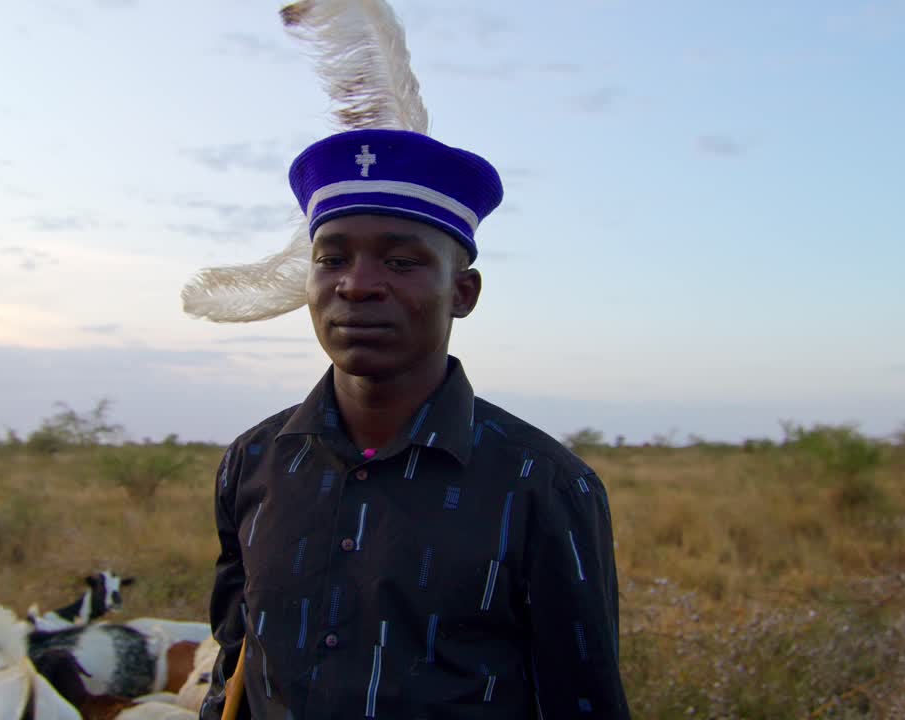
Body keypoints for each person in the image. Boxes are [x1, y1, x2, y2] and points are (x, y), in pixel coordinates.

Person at [200, 129, 631, 719]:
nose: (356, 285)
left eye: (402, 262)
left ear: (463, 292)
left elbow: (584, 702)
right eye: (331, 259)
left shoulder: (546, 487)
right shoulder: (253, 463)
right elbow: (235, 670)